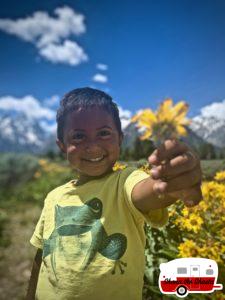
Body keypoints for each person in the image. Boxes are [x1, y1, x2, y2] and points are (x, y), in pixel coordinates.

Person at [26, 87, 202, 300]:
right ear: (62, 146)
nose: (92, 146)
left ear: (120, 138)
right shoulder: (54, 196)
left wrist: (170, 182)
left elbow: (147, 191)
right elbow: (41, 253)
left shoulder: (125, 180)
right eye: (79, 136)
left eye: (103, 133)